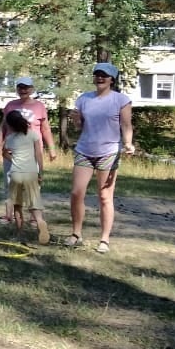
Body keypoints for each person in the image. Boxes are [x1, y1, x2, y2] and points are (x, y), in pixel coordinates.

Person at [66, 61, 135, 253]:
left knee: (105, 196)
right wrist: (76, 121)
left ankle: (104, 239)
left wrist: (128, 143)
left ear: (112, 79)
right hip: (84, 149)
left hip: (109, 152)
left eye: (104, 75)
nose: (100, 78)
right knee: (76, 193)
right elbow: (80, 127)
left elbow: (126, 125)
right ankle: (76, 234)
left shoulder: (121, 100)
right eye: (97, 74)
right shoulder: (84, 99)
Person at [0, 77, 57, 221]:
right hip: (12, 150)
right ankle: (9, 215)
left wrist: (51, 148)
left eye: (26, 87)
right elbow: (3, 126)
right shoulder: (10, 105)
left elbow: (45, 129)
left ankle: (35, 217)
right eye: (20, 87)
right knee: (10, 182)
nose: (23, 90)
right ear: (17, 89)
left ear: (32, 89)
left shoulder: (39, 106)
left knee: (32, 184)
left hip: (31, 152)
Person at [3, 109, 49, 244]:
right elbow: (39, 154)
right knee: (34, 202)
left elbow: (4, 153)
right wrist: (41, 172)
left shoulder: (9, 139)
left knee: (17, 204)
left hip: (16, 174)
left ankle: (19, 232)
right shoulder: (33, 135)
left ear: (10, 125)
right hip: (31, 173)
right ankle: (40, 222)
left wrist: (13, 160)